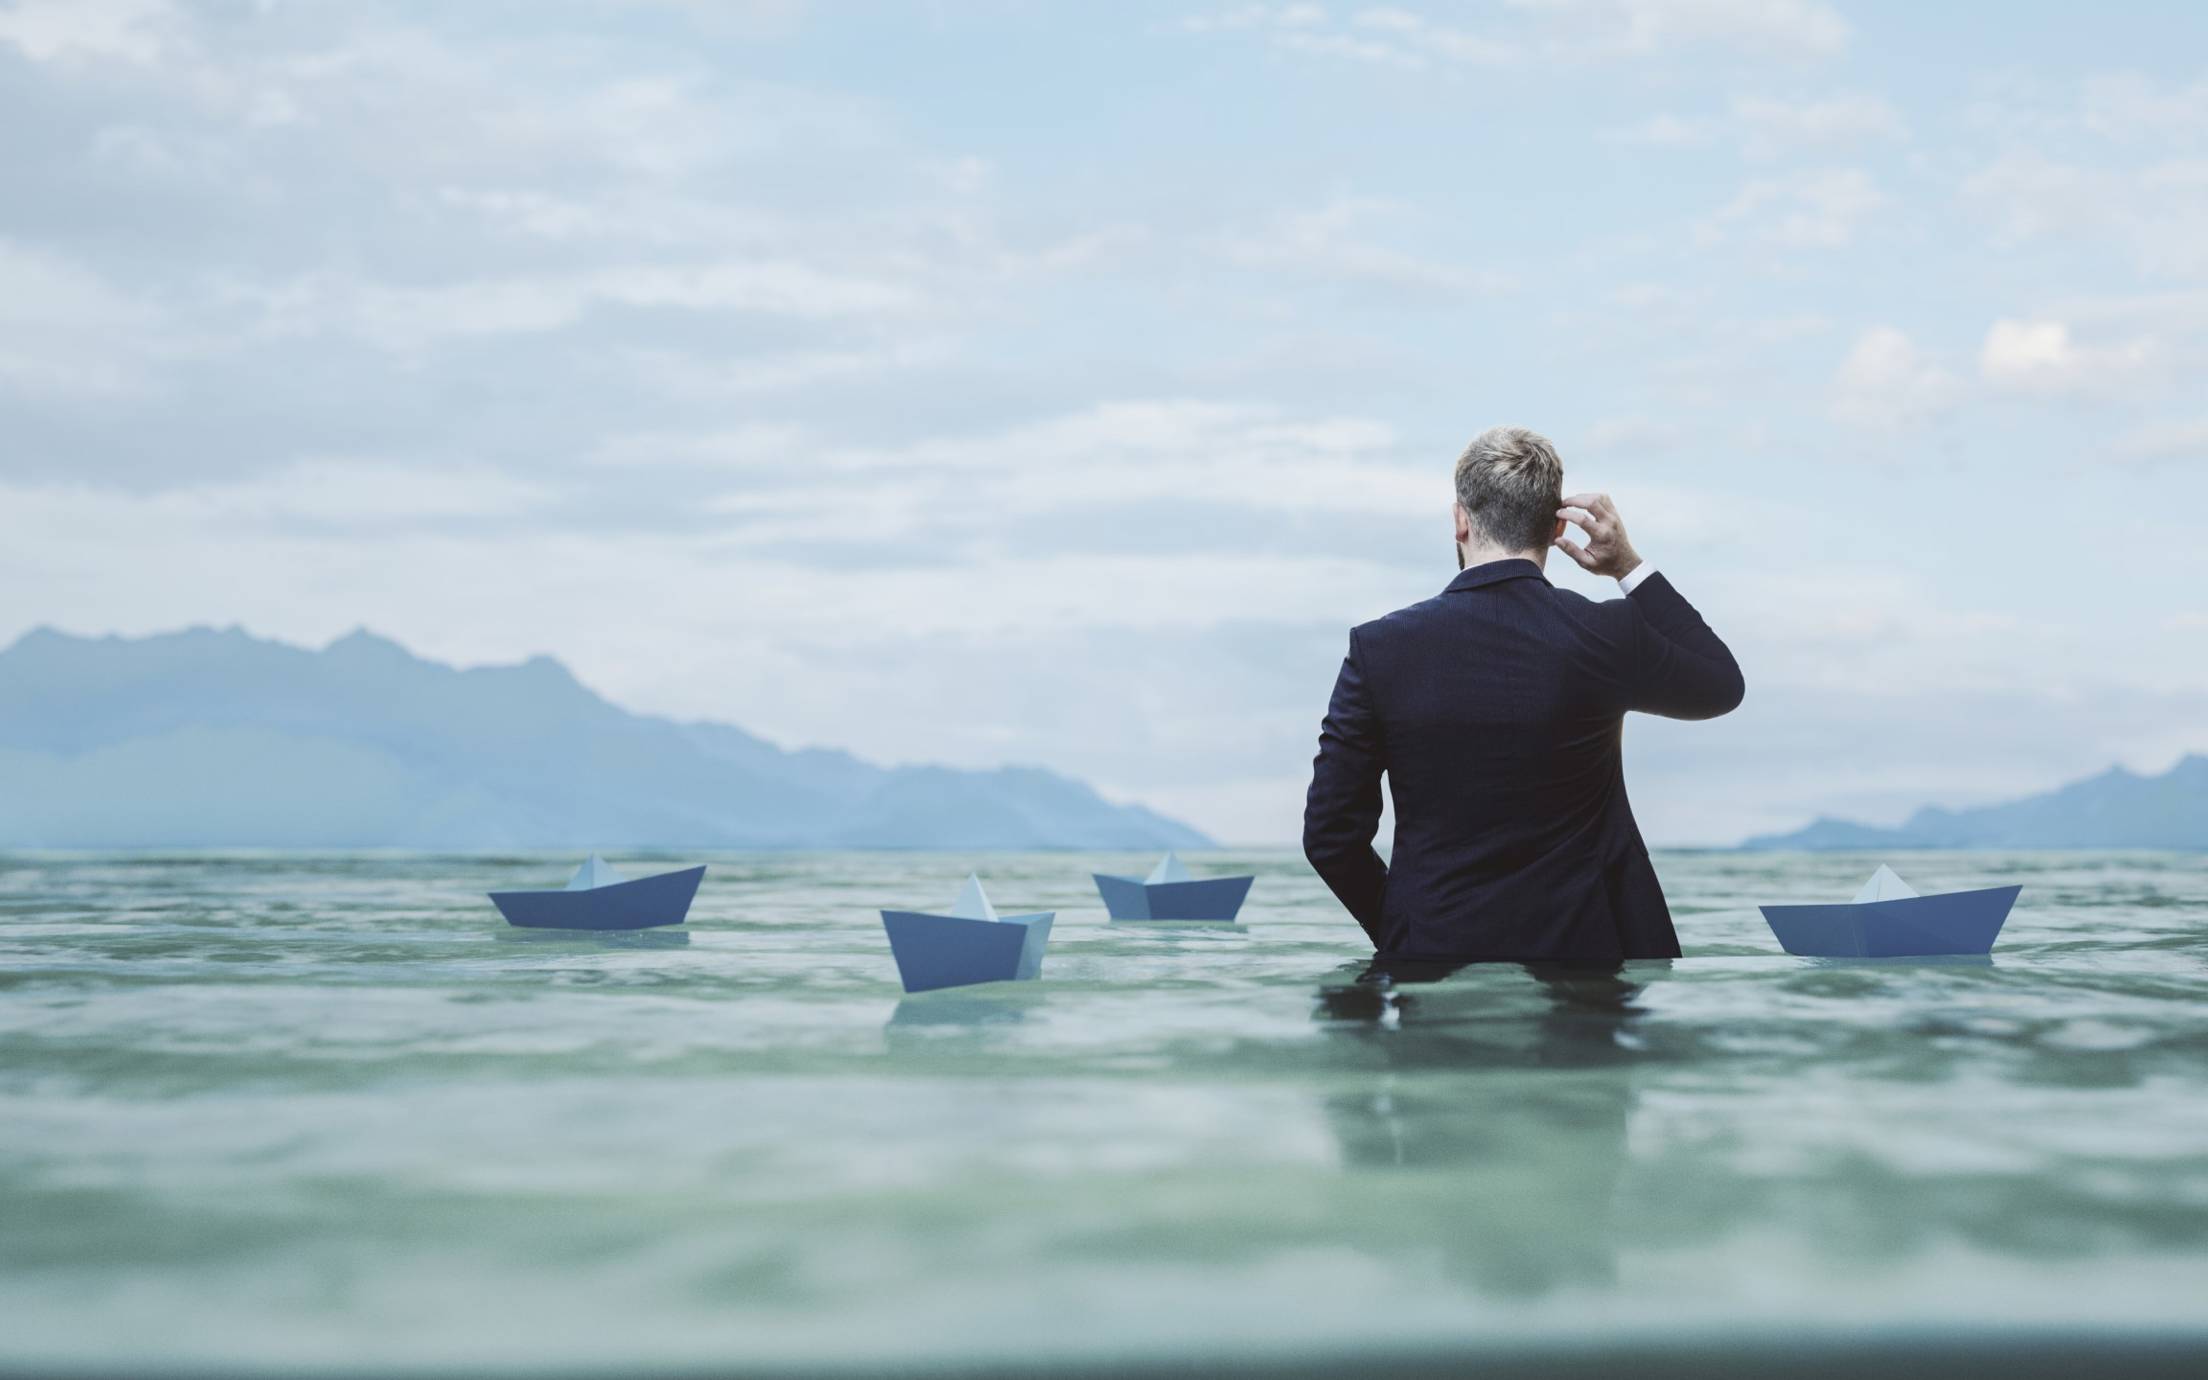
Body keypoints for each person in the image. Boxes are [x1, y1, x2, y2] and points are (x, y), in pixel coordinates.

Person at [1301, 426, 1742, 960]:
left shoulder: (1380, 649)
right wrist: (1628, 565)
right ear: (1558, 526)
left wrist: (1404, 929)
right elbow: (1721, 685)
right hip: (1587, 959)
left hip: (1435, 958)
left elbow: (1330, 834)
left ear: (1460, 519)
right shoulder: (1607, 634)